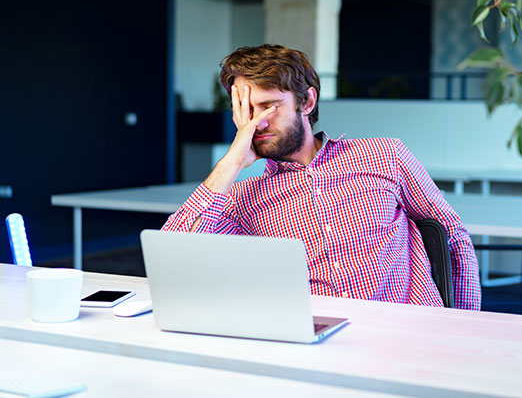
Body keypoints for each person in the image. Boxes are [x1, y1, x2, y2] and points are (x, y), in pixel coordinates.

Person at [162, 44, 481, 310]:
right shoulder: (240, 196)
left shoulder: (385, 156)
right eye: (245, 112)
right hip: (314, 343)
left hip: (404, 331)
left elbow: (453, 237)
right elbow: (172, 258)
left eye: (267, 107)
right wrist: (231, 162)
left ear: (307, 101)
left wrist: (466, 327)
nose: (255, 124)